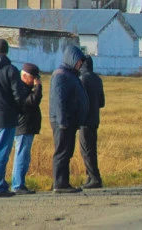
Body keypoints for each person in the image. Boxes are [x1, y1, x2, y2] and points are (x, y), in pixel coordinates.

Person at [50, 45, 89, 193]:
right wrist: (62, 121)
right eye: (79, 61)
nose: (81, 64)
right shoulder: (61, 75)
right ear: (72, 59)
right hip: (63, 122)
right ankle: (60, 184)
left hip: (69, 121)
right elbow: (58, 99)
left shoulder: (70, 74)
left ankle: (64, 182)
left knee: (67, 152)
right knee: (62, 152)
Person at [0, 39, 27, 198]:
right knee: (1, 152)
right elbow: (18, 95)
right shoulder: (11, 70)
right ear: (7, 51)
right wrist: (19, 110)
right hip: (6, 117)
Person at [11, 63, 42, 195]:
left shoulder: (24, 87)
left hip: (26, 127)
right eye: (33, 77)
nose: (35, 80)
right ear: (25, 76)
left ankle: (19, 183)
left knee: (24, 156)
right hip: (23, 127)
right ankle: (17, 185)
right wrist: (38, 87)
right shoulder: (21, 88)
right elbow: (33, 101)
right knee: (21, 156)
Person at [79, 55, 105, 189]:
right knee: (91, 149)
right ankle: (90, 177)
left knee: (86, 150)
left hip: (85, 119)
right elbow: (102, 102)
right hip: (95, 119)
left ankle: (95, 177)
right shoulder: (97, 79)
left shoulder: (82, 79)